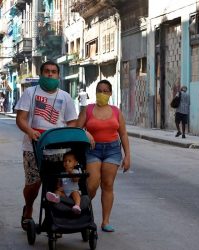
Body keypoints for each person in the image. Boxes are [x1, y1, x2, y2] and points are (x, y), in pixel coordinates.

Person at [15, 61, 78, 230]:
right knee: (33, 185)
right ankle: (28, 209)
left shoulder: (65, 96)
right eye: (47, 71)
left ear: (58, 75)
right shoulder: (30, 93)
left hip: (58, 149)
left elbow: (72, 122)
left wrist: (65, 136)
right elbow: (20, 118)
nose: (50, 74)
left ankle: (56, 216)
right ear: (41, 74)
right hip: (33, 147)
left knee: (57, 185)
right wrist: (29, 131)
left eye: (53, 72)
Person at [77, 79, 131, 232]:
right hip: (92, 150)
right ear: (95, 93)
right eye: (99, 90)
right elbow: (76, 129)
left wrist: (127, 156)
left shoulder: (116, 111)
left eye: (105, 91)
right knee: (92, 184)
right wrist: (85, 132)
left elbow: (123, 134)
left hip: (112, 150)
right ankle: (83, 208)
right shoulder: (87, 110)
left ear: (110, 93)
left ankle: (105, 221)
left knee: (107, 185)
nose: (102, 93)